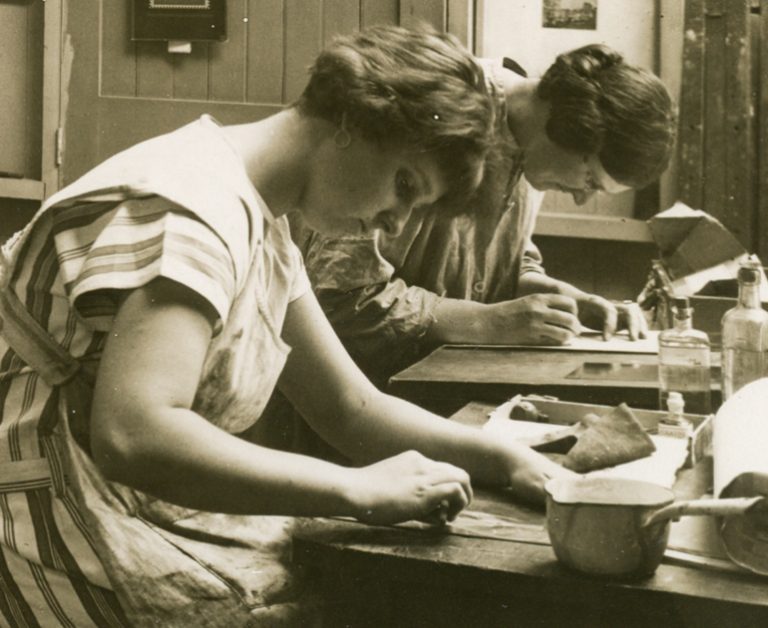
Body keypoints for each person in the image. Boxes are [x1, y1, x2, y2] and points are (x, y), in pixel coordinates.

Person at [0, 25, 575, 626]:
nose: (396, 225)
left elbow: (349, 407)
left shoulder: (260, 222)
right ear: (355, 119)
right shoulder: (193, 208)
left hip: (128, 508)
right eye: (405, 185)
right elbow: (135, 434)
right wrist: (352, 489)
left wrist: (502, 457)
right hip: (45, 522)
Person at [289, 44, 677, 386]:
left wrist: (559, 297)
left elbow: (491, 264)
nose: (580, 198)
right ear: (569, 124)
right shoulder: (443, 112)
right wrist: (489, 322)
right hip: (337, 396)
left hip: (419, 389)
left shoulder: (534, 149)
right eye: (590, 179)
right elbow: (338, 297)